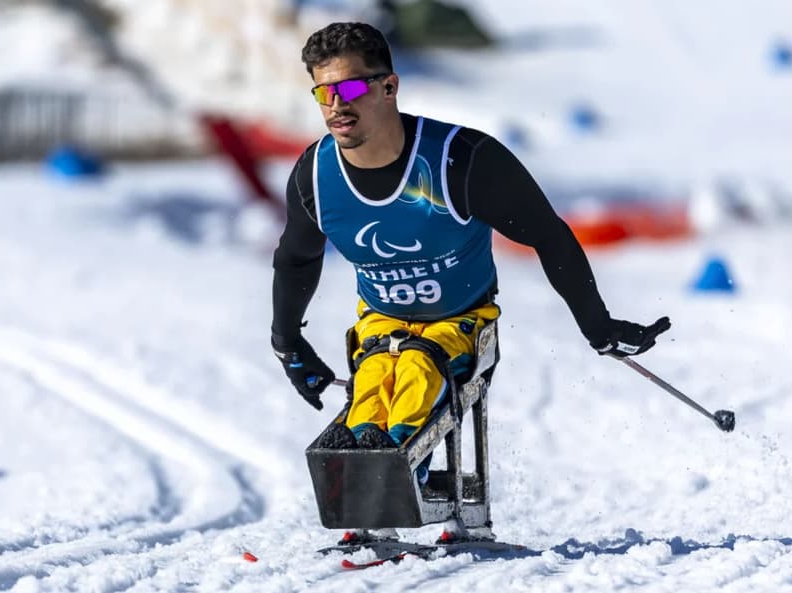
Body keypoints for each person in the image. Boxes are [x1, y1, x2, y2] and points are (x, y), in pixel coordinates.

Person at [271, 21, 670, 482]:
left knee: (419, 369)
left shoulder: (459, 160)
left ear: (388, 87)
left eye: (351, 87)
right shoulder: (315, 176)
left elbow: (548, 235)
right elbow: (295, 258)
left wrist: (597, 326)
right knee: (375, 381)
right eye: (323, 94)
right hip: (380, 322)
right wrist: (289, 344)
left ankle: (392, 471)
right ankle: (360, 475)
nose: (336, 105)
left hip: (460, 324)